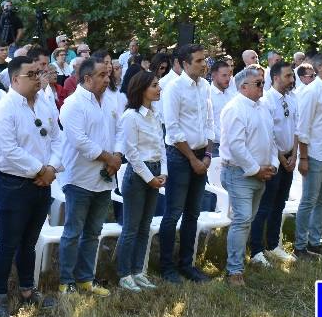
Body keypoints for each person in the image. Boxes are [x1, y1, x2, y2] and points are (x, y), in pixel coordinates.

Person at [0, 55, 61, 317]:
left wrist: (51, 169)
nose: (38, 78)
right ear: (15, 79)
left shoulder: (44, 104)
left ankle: (28, 290)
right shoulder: (5, 108)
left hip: (42, 183)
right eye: (32, 74)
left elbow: (57, 138)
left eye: (40, 73)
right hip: (13, 184)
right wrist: (40, 170)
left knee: (29, 243)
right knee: (8, 243)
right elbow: (8, 150)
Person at [58, 58, 122, 296]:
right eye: (102, 75)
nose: (108, 79)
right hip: (79, 179)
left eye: (108, 74)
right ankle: (66, 281)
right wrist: (109, 158)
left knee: (94, 232)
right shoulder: (73, 104)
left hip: (104, 177)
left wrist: (116, 156)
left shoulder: (109, 101)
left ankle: (85, 278)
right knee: (73, 232)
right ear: (87, 78)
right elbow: (80, 141)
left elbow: (120, 131)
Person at [158, 44, 216, 283]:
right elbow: (172, 128)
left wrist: (207, 156)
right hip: (180, 156)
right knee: (173, 213)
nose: (204, 64)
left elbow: (210, 123)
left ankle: (187, 264)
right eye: (199, 60)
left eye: (205, 60)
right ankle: (167, 267)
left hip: (201, 156)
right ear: (184, 63)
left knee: (193, 213)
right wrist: (193, 159)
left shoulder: (205, 86)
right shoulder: (173, 88)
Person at [220, 65, 277, 286]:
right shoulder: (235, 108)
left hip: (260, 173)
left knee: (247, 220)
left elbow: (271, 139)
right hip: (239, 173)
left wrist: (271, 165)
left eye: (264, 82)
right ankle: (234, 271)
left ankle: (238, 260)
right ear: (243, 87)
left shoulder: (262, 107)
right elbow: (236, 146)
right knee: (242, 220)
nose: (263, 86)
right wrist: (256, 169)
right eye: (259, 83)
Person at [115, 70, 166, 292]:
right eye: (155, 85)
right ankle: (124, 274)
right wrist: (150, 178)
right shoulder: (130, 117)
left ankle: (138, 271)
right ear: (142, 89)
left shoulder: (155, 114)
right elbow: (132, 154)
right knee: (131, 228)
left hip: (155, 172)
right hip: (138, 175)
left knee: (145, 227)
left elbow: (161, 147)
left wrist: (163, 173)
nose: (159, 88)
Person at [249, 60, 298, 264]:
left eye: (292, 76)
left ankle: (273, 244)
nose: (291, 80)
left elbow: (296, 127)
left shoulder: (293, 99)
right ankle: (257, 249)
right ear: (276, 77)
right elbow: (269, 135)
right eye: (288, 76)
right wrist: (281, 158)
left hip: (289, 157)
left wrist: (294, 154)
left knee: (280, 203)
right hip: (274, 159)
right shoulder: (267, 100)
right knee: (266, 205)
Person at [293, 53, 322, 258]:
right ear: (319, 68)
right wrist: (303, 158)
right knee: (309, 200)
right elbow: (302, 128)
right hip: (314, 153)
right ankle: (300, 245)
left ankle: (315, 241)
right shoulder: (311, 92)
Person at [207, 59, 236, 157]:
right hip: (216, 147)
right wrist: (227, 139)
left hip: (235, 145)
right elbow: (209, 124)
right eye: (224, 75)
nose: (228, 78)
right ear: (214, 76)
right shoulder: (208, 96)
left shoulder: (233, 95)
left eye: (229, 75)